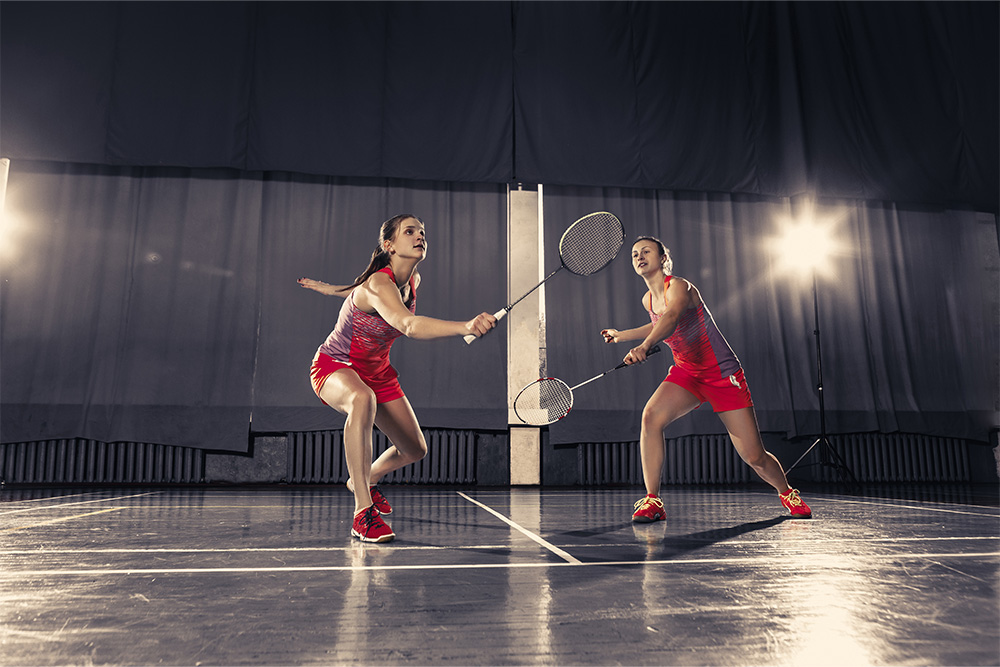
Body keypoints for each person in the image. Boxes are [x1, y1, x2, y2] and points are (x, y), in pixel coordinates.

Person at [298, 214, 496, 542]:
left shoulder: (411, 283)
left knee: (415, 449)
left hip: (377, 373)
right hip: (336, 365)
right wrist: (465, 326)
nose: (419, 236)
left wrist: (329, 289)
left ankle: (365, 478)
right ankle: (363, 513)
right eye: (409, 232)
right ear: (388, 245)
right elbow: (407, 325)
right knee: (362, 400)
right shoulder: (378, 282)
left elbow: (356, 291)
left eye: (422, 232)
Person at [601, 236, 811, 523]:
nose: (639, 256)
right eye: (635, 254)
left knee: (754, 457)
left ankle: (786, 492)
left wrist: (645, 346)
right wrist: (622, 335)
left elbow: (672, 317)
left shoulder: (680, 287)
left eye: (646, 251)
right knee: (650, 416)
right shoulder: (648, 299)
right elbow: (657, 322)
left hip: (722, 375)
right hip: (687, 374)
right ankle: (653, 501)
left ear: (663, 258)